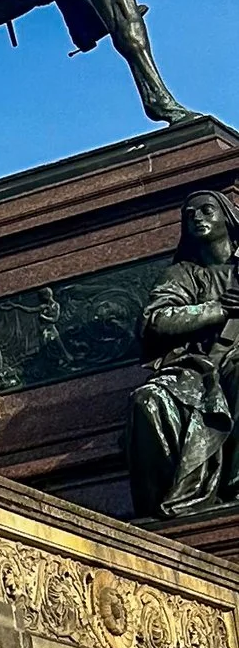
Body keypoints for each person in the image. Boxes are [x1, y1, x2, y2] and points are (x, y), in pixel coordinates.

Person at [128, 192, 239, 520]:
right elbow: (155, 320)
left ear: (227, 218)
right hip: (195, 369)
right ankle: (162, 503)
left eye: (207, 211)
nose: (197, 218)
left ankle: (234, 485)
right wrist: (217, 309)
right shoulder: (184, 274)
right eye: (190, 215)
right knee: (147, 400)